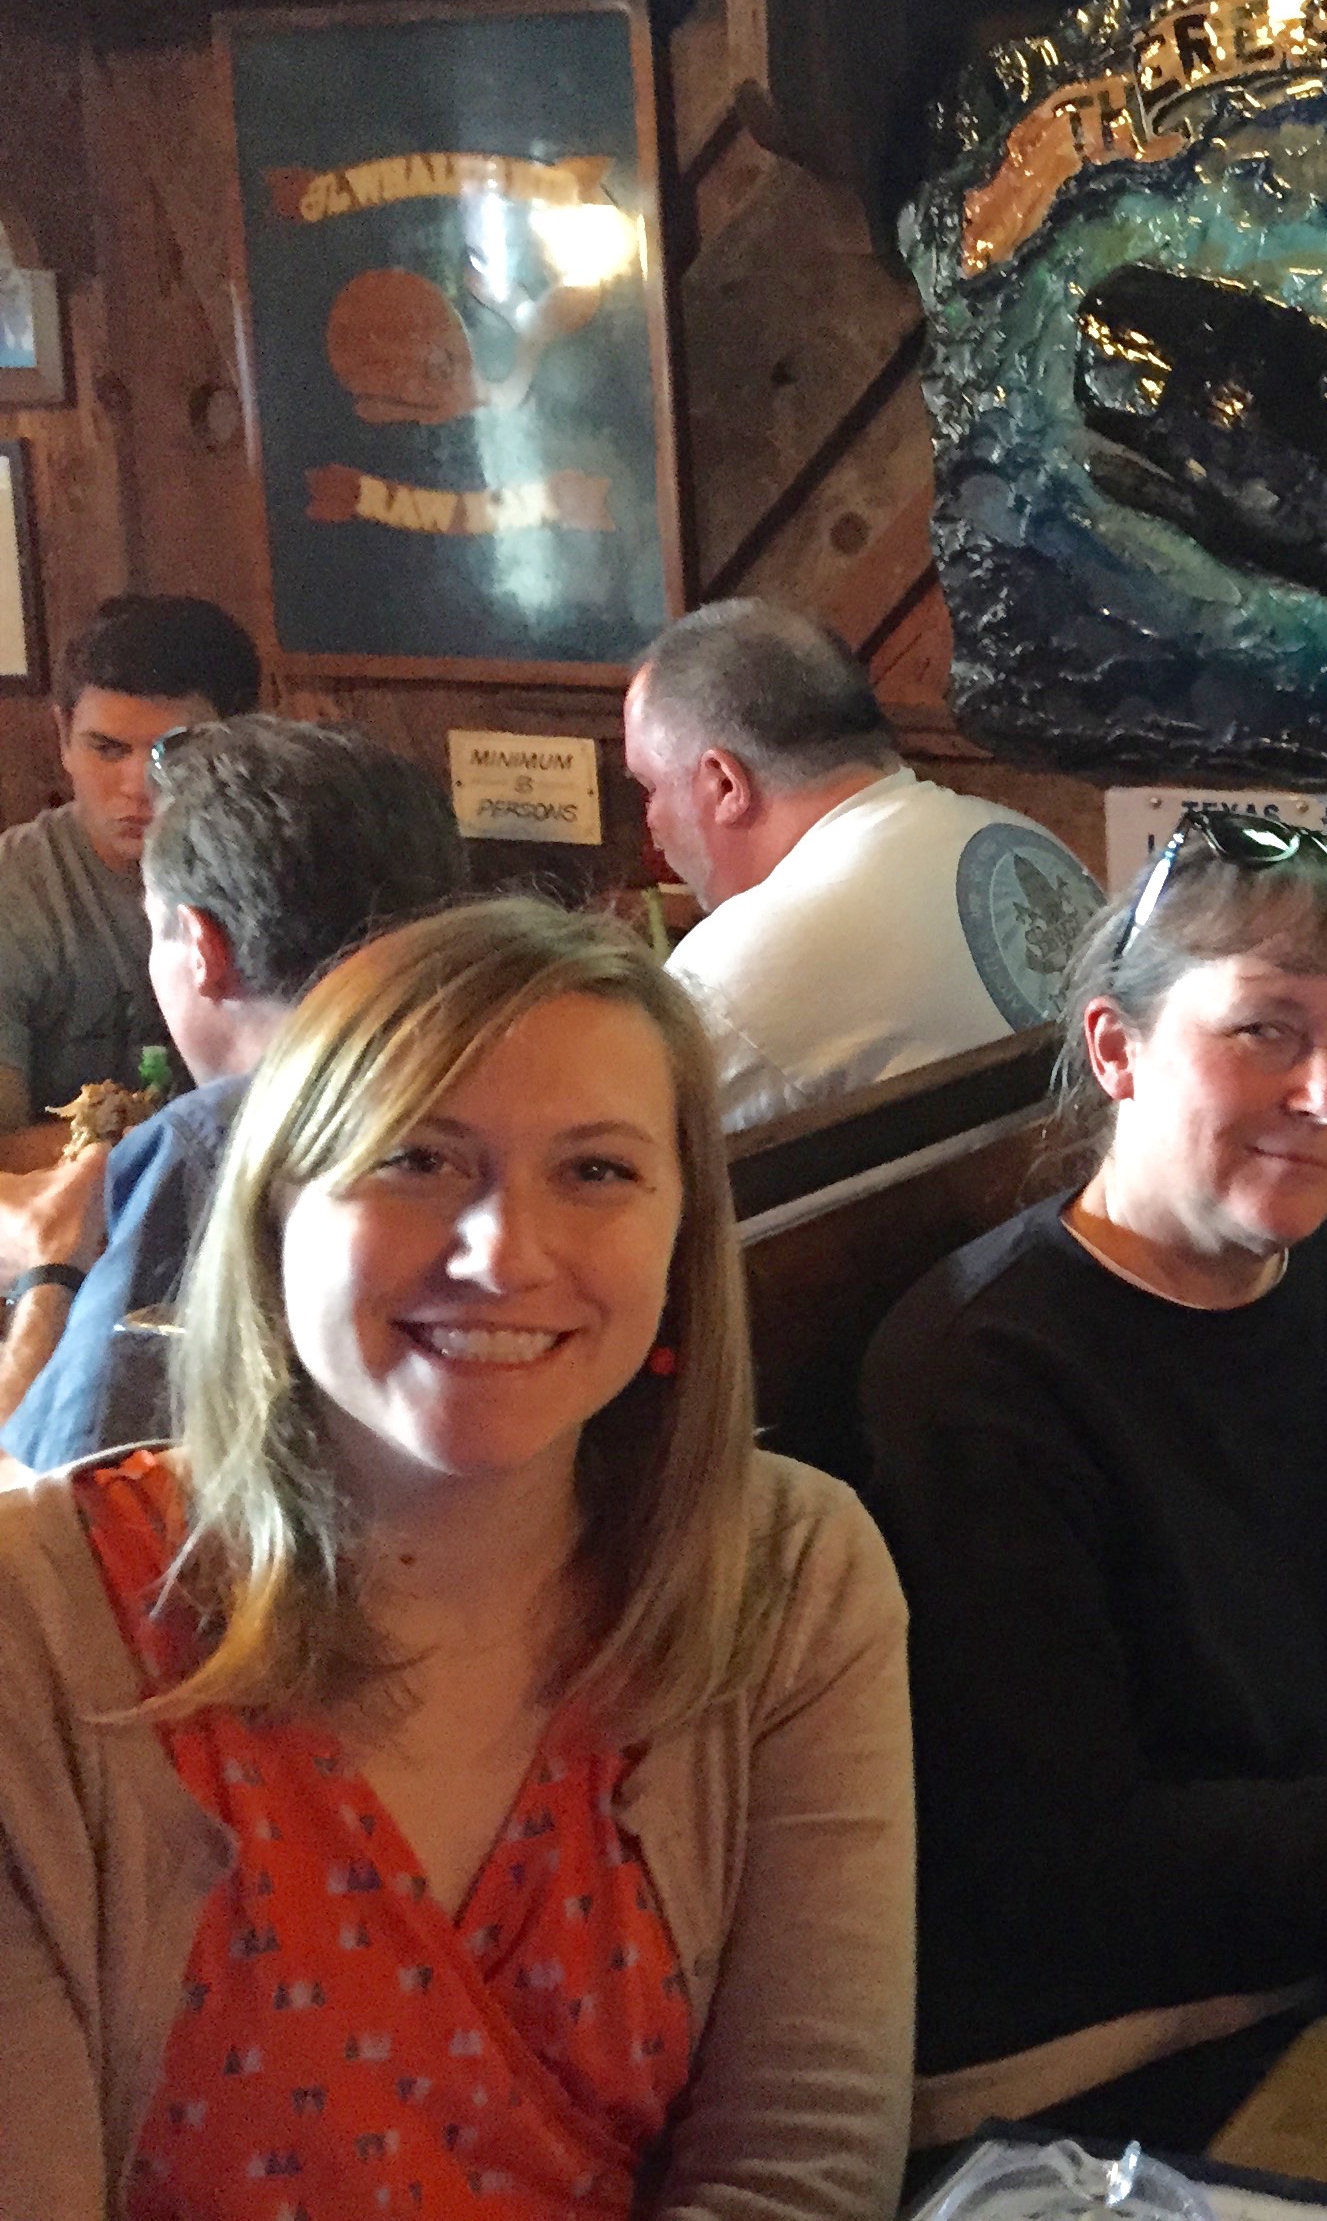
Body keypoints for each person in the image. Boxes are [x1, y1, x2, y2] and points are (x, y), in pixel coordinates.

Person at [0, 897, 914, 2217]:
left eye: (596, 1173)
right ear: (275, 1212)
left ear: (679, 1237)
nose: (503, 1254)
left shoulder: (790, 1573)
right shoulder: (37, 1613)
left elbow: (797, 2168)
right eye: (417, 1158)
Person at [862, 813, 1327, 2151]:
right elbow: (1064, 1867)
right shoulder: (982, 1374)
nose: (1326, 1096)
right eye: (1266, 1030)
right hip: (1108, 2065)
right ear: (1116, 1049)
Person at [2, 718, 469, 1468]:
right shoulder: (516, 1092)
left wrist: (49, 1275)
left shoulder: (213, 1139)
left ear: (203, 949)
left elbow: (56, 1483)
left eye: (154, 930)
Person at [624, 602, 1097, 1135]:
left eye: (650, 787)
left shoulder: (731, 971)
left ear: (724, 785)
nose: (651, 822)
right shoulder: (1023, 839)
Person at [0, 594, 260, 1169]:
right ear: (64, 736)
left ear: (239, 745)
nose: (139, 786)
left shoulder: (289, 876)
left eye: (176, 750)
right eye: (107, 748)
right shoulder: (14, 891)